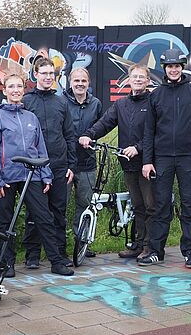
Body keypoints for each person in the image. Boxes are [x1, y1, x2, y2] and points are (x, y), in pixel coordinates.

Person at [0, 74, 74, 277]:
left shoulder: (30, 117)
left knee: (44, 217)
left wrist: (46, 175)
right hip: (6, 177)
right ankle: (6, 263)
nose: (16, 90)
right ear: (5, 91)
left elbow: (40, 148)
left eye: (19, 86)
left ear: (24, 90)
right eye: (11, 87)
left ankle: (56, 261)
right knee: (5, 221)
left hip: (31, 175)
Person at [139, 48, 191, 268]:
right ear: (165, 68)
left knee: (189, 205)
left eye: (177, 66)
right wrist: (147, 161)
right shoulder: (155, 95)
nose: (174, 69)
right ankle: (155, 251)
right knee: (161, 206)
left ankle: (189, 251)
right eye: (170, 66)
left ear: (182, 67)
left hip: (188, 157)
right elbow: (148, 131)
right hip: (162, 158)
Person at [79, 64, 155, 259]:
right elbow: (105, 123)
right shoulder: (121, 105)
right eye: (134, 77)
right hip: (127, 163)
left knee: (150, 205)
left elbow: (155, 133)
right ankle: (138, 244)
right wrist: (89, 135)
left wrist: (138, 148)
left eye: (141, 77)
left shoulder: (153, 102)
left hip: (147, 163)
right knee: (137, 205)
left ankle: (150, 247)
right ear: (128, 80)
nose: (137, 80)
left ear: (148, 81)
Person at [21, 58, 77, 269]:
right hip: (33, 167)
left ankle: (60, 254)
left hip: (59, 166)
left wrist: (71, 164)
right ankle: (32, 255)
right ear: (35, 75)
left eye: (51, 74)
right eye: (43, 73)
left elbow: (70, 135)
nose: (47, 77)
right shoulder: (26, 101)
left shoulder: (62, 102)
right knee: (35, 212)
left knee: (58, 212)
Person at [64, 67, 102, 257]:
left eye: (83, 81)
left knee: (84, 205)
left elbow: (101, 127)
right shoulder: (61, 101)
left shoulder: (95, 103)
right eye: (76, 80)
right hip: (65, 164)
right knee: (60, 206)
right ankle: (59, 246)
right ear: (70, 82)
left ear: (89, 83)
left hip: (87, 163)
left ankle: (81, 244)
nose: (80, 84)